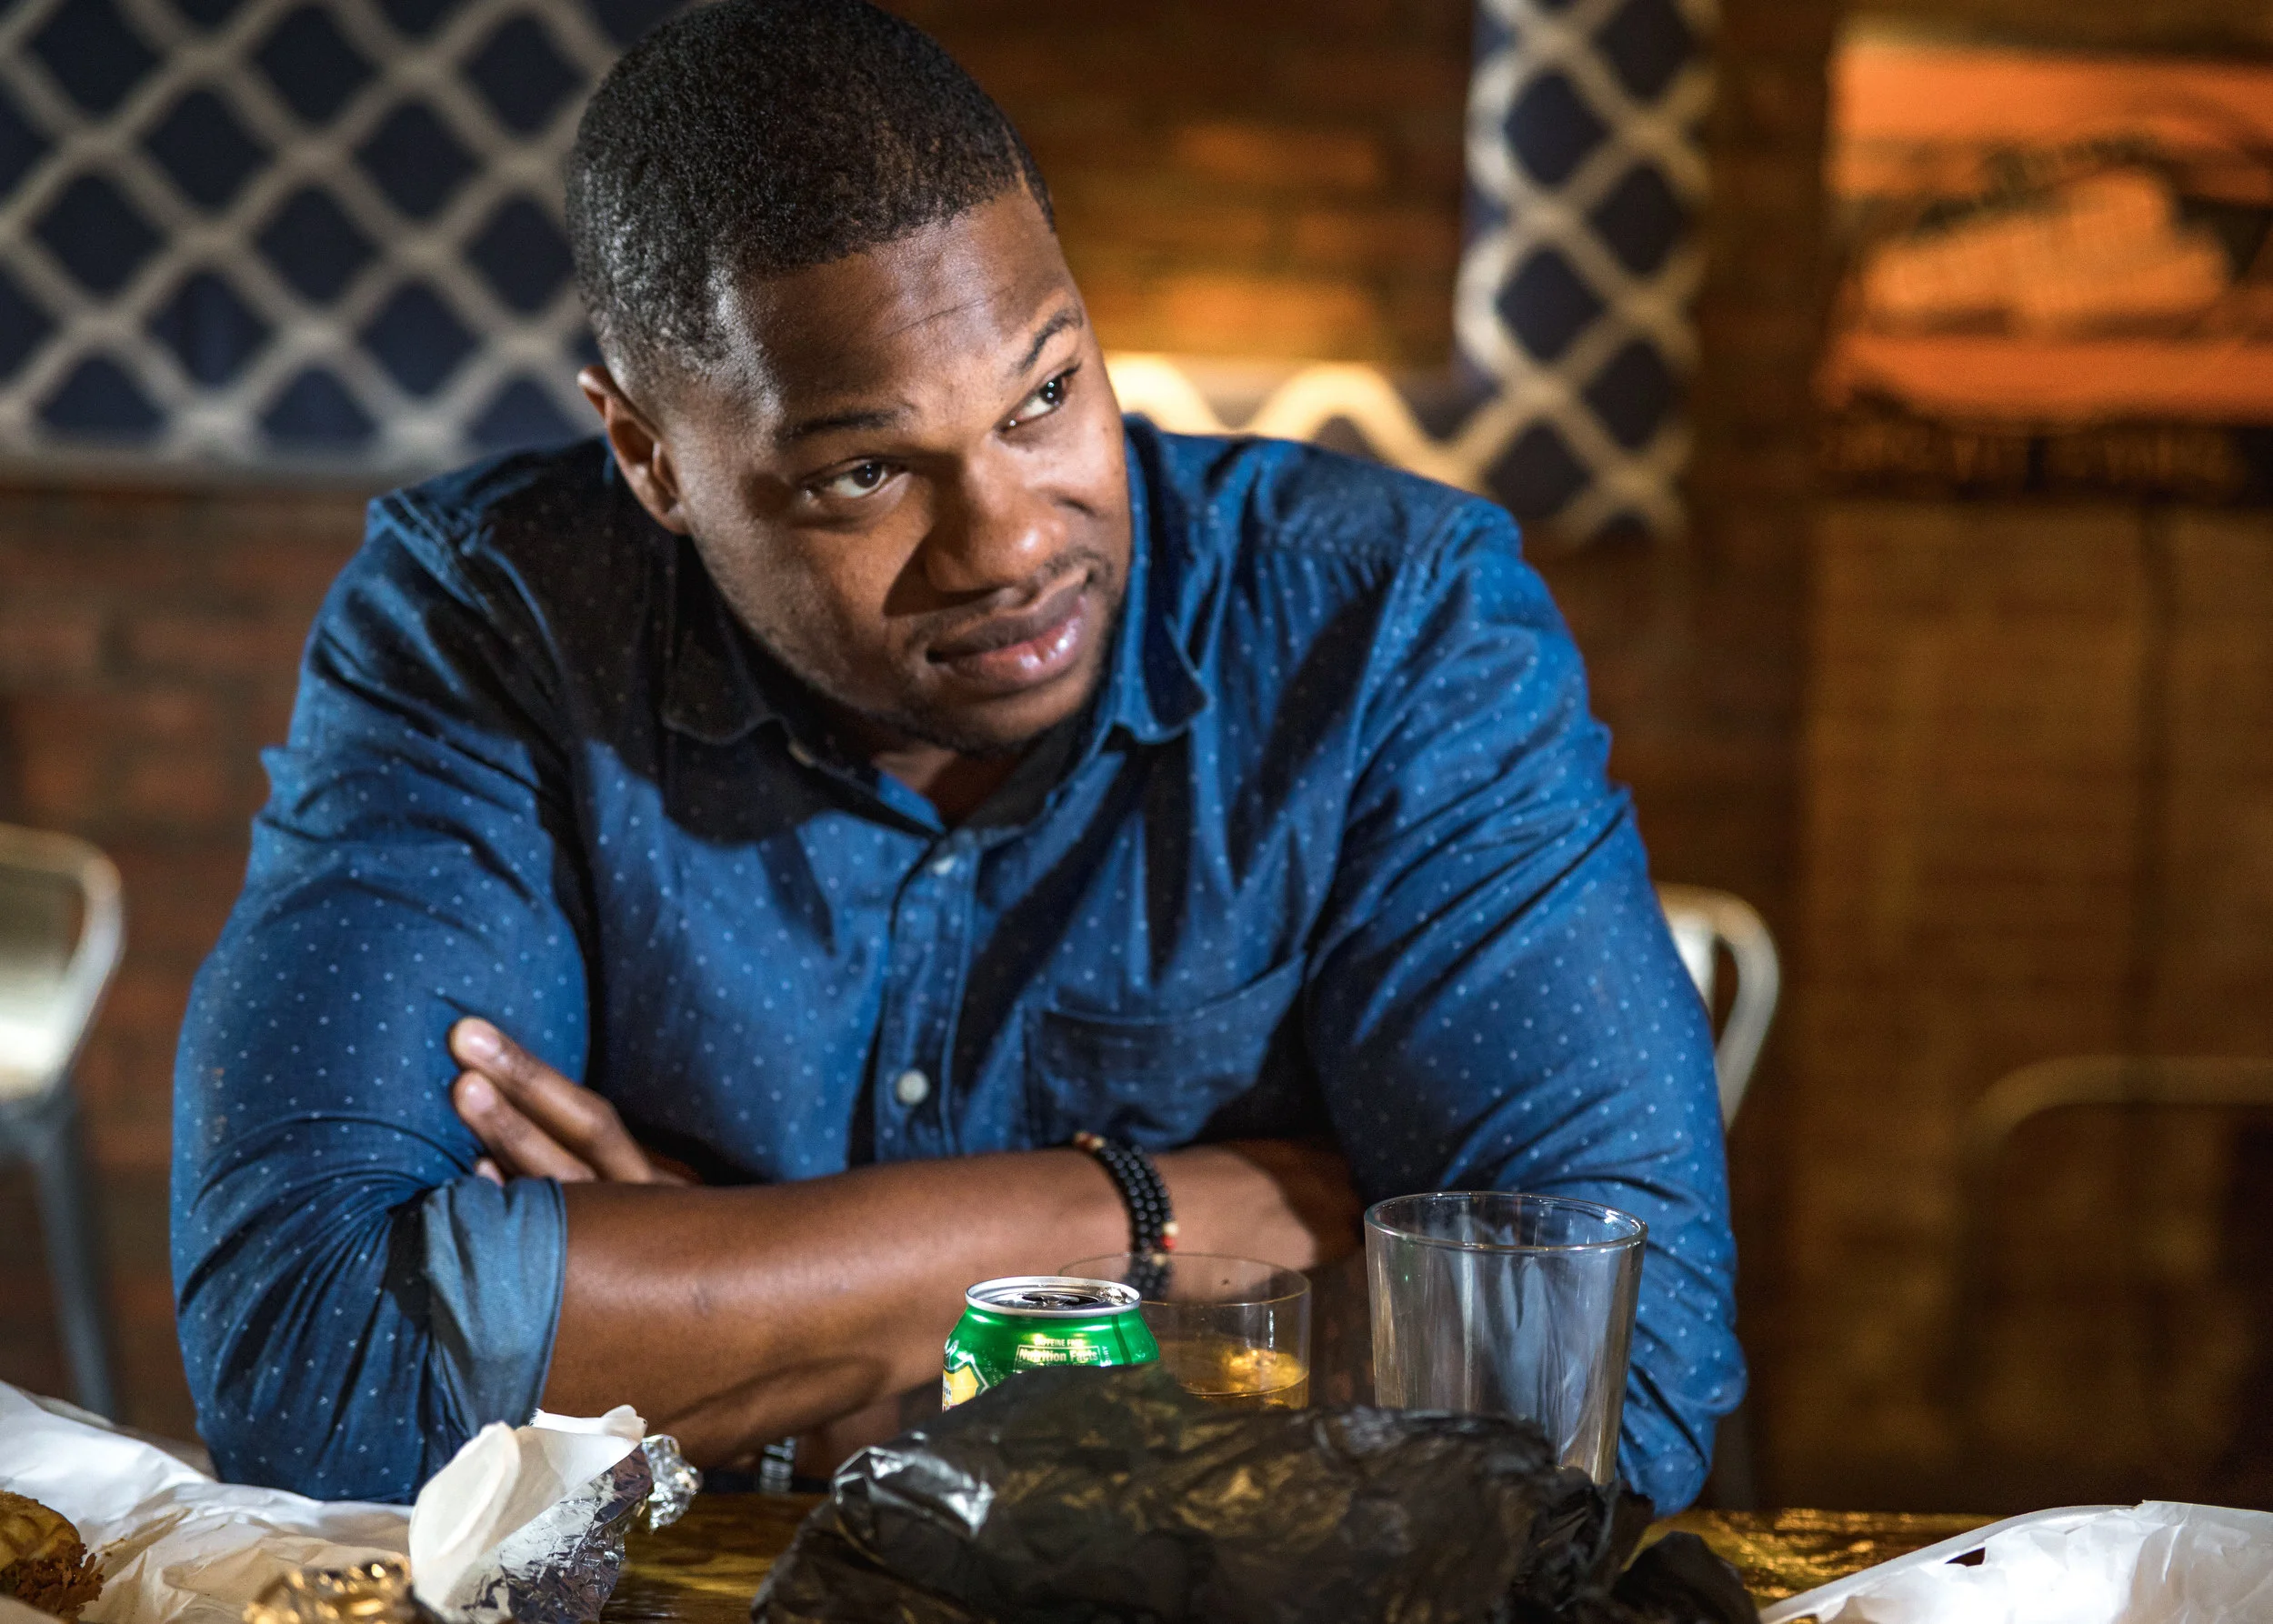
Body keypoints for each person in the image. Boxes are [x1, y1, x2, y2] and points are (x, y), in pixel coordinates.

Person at [171, 0, 1742, 1509]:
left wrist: (758, 1338)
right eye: (866, 471)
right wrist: (1148, 1215)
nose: (1008, 545)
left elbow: (1606, 1386)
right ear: (651, 457)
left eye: (1045, 395)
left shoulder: (1389, 625)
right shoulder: (490, 619)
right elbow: (311, 1370)